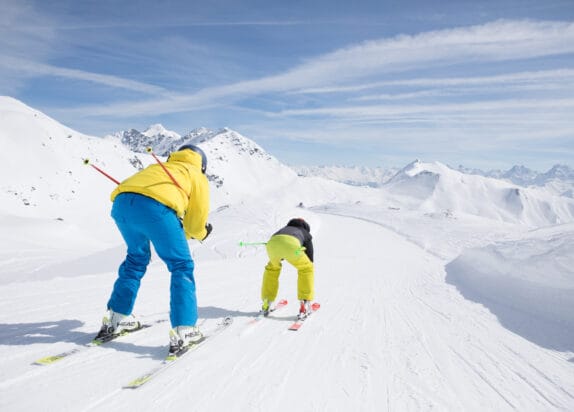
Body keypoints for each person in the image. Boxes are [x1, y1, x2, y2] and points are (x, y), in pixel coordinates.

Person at [95, 144, 212, 355]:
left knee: (136, 259)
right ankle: (185, 329)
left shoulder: (160, 167)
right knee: (181, 265)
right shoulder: (196, 174)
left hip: (121, 204)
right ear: (202, 164)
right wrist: (203, 233)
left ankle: (117, 317)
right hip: (156, 209)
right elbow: (195, 226)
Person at [260, 218, 315, 319]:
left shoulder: (284, 229)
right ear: (305, 227)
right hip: (292, 245)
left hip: (272, 244)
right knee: (306, 268)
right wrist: (308, 262)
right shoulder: (305, 233)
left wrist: (282, 255)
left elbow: (280, 245)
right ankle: (305, 303)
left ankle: (267, 302)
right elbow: (310, 257)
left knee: (272, 269)